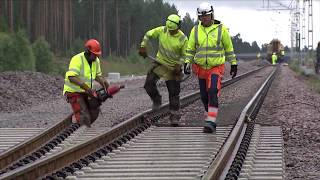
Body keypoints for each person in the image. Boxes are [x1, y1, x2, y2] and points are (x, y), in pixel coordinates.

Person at [183, 2, 237, 133]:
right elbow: (190, 49)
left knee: (212, 91)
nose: (204, 18)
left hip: (215, 67)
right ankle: (210, 116)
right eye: (201, 16)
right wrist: (187, 62)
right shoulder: (195, 30)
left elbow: (229, 48)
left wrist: (234, 63)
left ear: (212, 14)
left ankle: (211, 122)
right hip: (200, 68)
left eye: (206, 16)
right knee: (203, 96)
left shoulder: (221, 29)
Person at [139, 14, 188, 126]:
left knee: (173, 92)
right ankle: (157, 100)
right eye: (169, 30)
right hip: (160, 63)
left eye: (173, 30)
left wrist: (179, 64)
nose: (170, 32)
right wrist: (143, 45)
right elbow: (148, 34)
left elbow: (186, 55)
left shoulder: (183, 39)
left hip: (173, 68)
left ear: (179, 27)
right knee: (149, 83)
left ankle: (174, 116)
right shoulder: (163, 30)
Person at [63, 39, 109, 127]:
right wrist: (87, 88)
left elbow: (96, 75)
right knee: (84, 116)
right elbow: (72, 77)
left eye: (97, 55)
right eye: (94, 55)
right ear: (88, 52)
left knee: (95, 111)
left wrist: (104, 82)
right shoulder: (77, 59)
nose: (96, 57)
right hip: (74, 92)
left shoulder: (96, 61)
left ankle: (80, 125)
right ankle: (80, 127)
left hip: (86, 92)